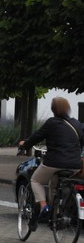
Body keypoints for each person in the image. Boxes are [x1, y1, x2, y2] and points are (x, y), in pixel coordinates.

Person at [19, 97, 84, 230]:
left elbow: (37, 136)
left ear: (53, 109)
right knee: (55, 185)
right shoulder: (77, 124)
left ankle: (44, 206)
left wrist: (25, 145)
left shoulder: (51, 123)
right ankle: (57, 215)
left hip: (54, 162)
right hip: (74, 165)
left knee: (35, 180)